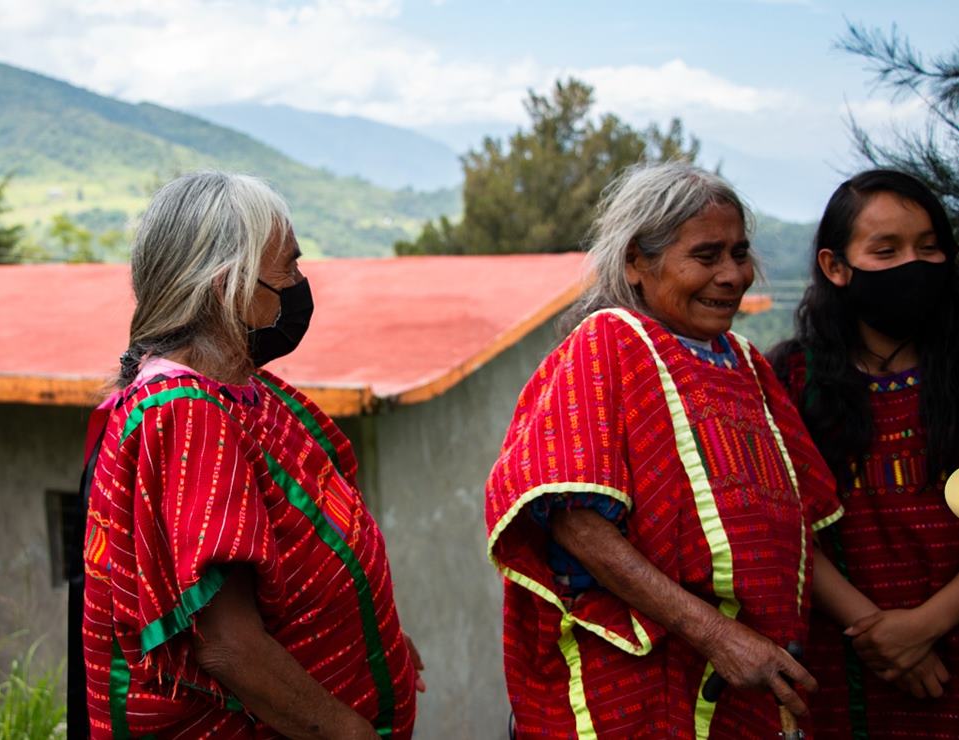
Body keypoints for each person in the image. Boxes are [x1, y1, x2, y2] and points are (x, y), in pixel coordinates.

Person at [485, 162, 843, 738]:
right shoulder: (610, 343)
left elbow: (802, 528)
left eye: (740, 253)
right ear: (636, 262)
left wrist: (880, 630)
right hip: (638, 685)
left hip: (742, 682)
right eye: (706, 256)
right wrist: (718, 636)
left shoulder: (747, 365)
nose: (732, 275)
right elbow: (576, 523)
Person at [80, 171, 423, 739]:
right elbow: (229, 645)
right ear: (227, 288)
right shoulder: (187, 416)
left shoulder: (241, 392)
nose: (300, 283)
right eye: (288, 267)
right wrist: (349, 732)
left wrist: (375, 639)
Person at [770, 169, 959, 738]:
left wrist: (925, 625)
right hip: (847, 664)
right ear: (835, 266)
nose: (914, 264)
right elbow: (789, 524)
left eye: (929, 248)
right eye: (887, 250)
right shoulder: (790, 381)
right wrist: (878, 633)